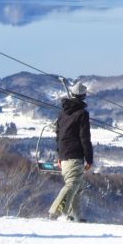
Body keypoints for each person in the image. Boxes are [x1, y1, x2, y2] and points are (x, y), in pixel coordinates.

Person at [48, 81, 94, 222]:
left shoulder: (62, 114)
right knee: (72, 184)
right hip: (75, 155)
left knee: (77, 187)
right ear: (84, 96)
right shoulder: (82, 114)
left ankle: (76, 216)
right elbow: (84, 137)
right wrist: (89, 159)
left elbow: (58, 135)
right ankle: (57, 212)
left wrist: (60, 155)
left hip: (64, 154)